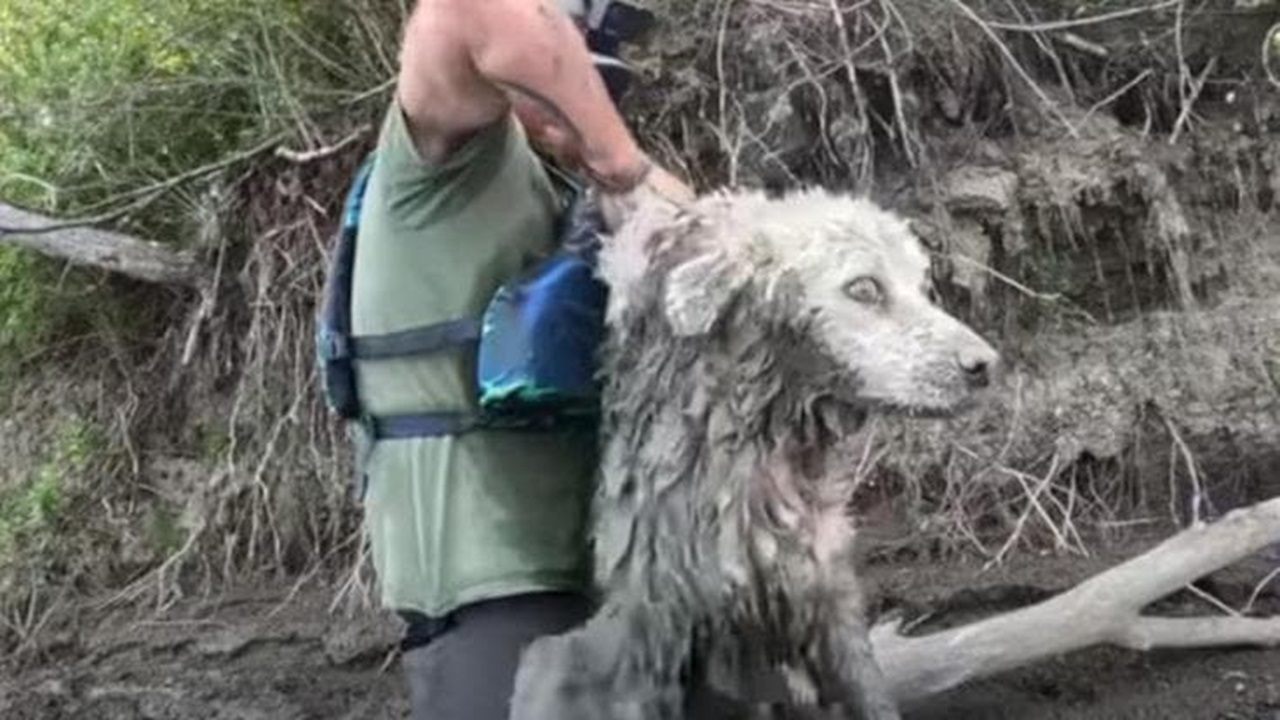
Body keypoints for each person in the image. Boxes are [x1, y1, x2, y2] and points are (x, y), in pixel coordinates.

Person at [347, 1, 692, 718]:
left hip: (610, 580)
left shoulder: (563, 188)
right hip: (494, 594)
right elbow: (465, 11)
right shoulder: (441, 162)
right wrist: (625, 169)